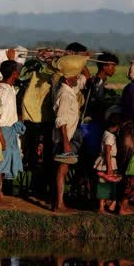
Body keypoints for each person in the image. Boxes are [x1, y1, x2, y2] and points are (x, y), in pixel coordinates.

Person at [0, 60, 25, 207]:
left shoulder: (9, 88)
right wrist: (0, 135)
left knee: (4, 163)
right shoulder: (2, 90)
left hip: (9, 129)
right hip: (3, 129)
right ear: (15, 74)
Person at [52, 65, 86, 212]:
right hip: (64, 138)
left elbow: (85, 78)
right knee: (62, 169)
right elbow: (61, 120)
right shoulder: (65, 95)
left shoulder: (70, 90)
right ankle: (59, 204)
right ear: (66, 78)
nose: (77, 78)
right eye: (74, 76)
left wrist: (79, 61)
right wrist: (66, 142)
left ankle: (58, 203)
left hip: (68, 137)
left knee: (63, 169)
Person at [118, 60, 134, 215]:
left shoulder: (130, 88)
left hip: (128, 130)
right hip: (132, 132)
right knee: (133, 167)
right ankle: (123, 206)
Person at [95, 113, 122, 213]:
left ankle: (108, 204)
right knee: (104, 185)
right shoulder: (110, 136)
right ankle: (101, 207)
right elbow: (107, 151)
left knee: (108, 185)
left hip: (108, 161)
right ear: (117, 126)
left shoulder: (106, 133)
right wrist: (109, 167)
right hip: (107, 162)